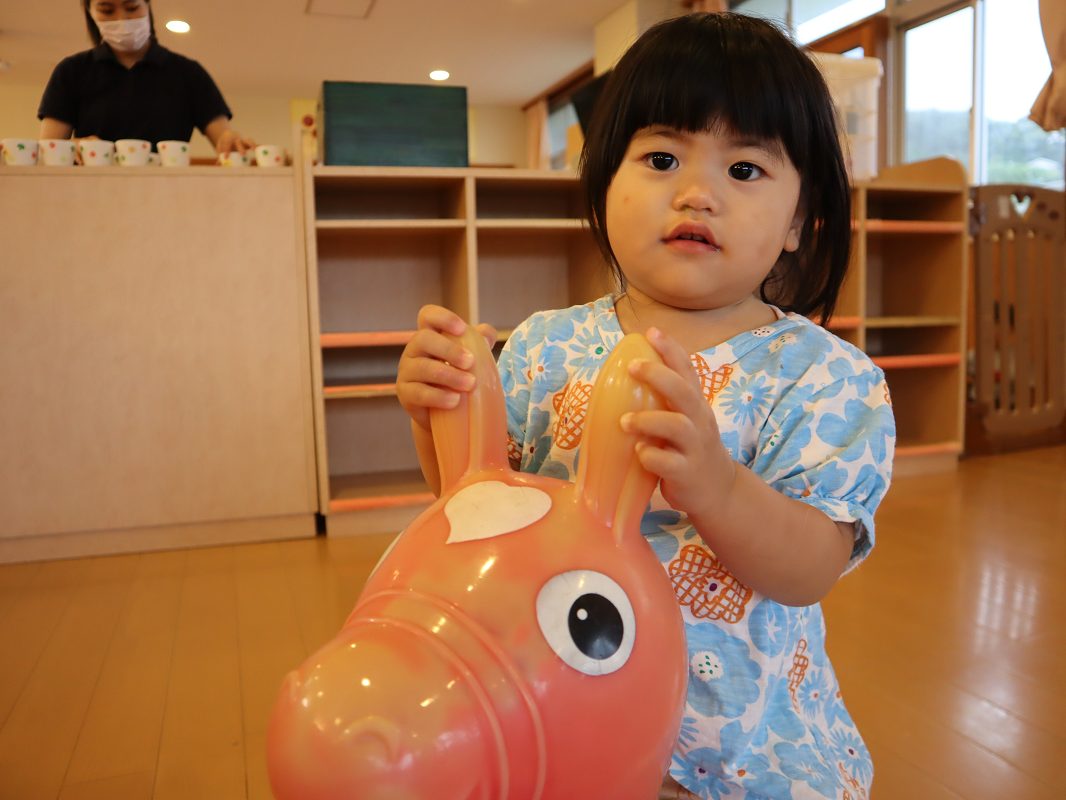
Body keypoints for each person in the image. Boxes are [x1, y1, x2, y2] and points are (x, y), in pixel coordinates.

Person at [397, 12, 895, 799]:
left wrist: (717, 487)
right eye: (661, 158)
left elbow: (811, 569)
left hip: (740, 755)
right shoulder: (541, 348)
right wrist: (440, 416)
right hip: (563, 718)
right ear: (605, 186)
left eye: (745, 170)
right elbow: (478, 518)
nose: (697, 193)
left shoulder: (827, 380)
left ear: (800, 220)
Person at [38, 0, 253, 157]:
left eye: (132, 7)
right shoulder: (72, 71)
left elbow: (224, 138)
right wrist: (72, 147)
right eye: (107, 10)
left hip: (166, 193)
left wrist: (231, 140)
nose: (122, 18)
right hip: (89, 193)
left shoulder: (188, 73)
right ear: (90, 12)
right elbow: (48, 149)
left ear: (147, 5)